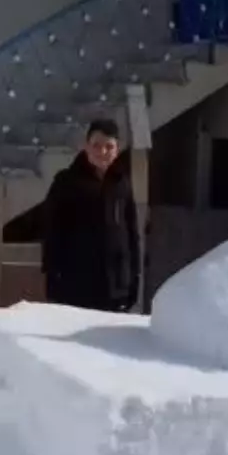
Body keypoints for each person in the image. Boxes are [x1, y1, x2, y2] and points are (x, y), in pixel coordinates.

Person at [41, 119, 140, 312]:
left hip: (115, 285)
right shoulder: (66, 182)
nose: (102, 152)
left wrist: (134, 278)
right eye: (96, 145)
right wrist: (52, 276)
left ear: (117, 149)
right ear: (86, 147)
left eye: (108, 146)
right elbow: (51, 231)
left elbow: (132, 234)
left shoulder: (122, 183)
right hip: (76, 285)